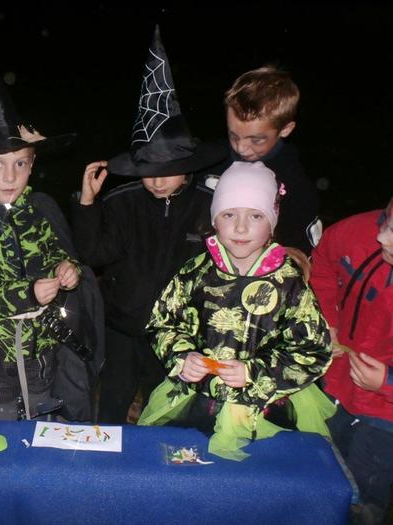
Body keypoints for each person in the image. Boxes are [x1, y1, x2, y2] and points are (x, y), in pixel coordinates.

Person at [72, 26, 226, 424]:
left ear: (187, 167)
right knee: (112, 404)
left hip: (178, 334)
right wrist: (87, 204)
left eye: (166, 170)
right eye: (148, 171)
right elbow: (93, 254)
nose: (156, 180)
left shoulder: (209, 206)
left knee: (167, 408)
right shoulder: (122, 202)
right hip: (123, 327)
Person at [0, 13, 90, 422]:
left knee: (42, 417)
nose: (10, 176)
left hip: (44, 348)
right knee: (4, 427)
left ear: (32, 163)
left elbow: (58, 254)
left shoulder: (37, 212)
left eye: (20, 164)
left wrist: (67, 269)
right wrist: (26, 293)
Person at [138, 161, 333, 461]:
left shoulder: (289, 283)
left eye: (256, 215)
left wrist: (255, 372)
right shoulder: (196, 272)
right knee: (189, 471)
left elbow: (313, 349)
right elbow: (164, 322)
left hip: (266, 410)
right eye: (229, 214)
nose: (241, 228)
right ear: (215, 220)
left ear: (272, 222)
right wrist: (182, 356)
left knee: (260, 479)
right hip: (198, 401)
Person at [310, 197, 393, 524]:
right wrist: (328, 321)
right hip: (337, 384)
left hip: (386, 415)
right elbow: (323, 264)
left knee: (363, 496)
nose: (382, 237)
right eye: (387, 221)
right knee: (323, 470)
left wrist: (386, 382)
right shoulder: (356, 231)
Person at [211, 66, 320, 253]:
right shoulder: (211, 163)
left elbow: (300, 250)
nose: (241, 147)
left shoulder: (295, 185)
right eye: (233, 135)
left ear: (285, 129)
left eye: (256, 140)